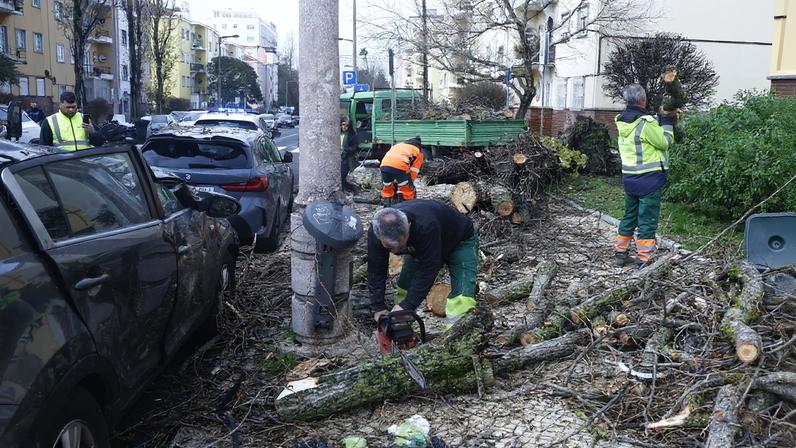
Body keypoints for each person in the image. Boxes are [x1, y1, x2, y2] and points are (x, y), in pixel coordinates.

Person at [368, 200, 479, 326]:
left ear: (408, 226)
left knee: (461, 300)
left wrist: (408, 306)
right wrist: (378, 308)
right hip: (422, 245)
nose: (395, 251)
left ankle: (455, 340)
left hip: (459, 240)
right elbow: (375, 269)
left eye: (399, 245)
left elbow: (429, 269)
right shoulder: (376, 230)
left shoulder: (425, 225)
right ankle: (400, 327)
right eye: (389, 247)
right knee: (404, 288)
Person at [614, 84, 676, 267]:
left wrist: (657, 118)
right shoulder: (645, 123)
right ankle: (643, 259)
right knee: (647, 220)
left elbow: (644, 130)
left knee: (629, 216)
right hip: (649, 180)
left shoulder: (622, 120)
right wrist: (667, 123)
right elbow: (665, 141)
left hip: (630, 179)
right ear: (642, 99)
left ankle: (620, 253)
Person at [39, 91, 105, 150]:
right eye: (68, 107)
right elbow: (44, 148)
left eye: (73, 107)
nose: (71, 110)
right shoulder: (49, 121)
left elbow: (100, 142)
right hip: (62, 161)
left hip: (85, 159)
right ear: (60, 105)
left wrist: (92, 132)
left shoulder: (84, 118)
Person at [380, 137, 424, 205]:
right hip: (400, 167)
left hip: (384, 166)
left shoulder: (398, 145)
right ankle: (407, 205)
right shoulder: (418, 151)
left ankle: (386, 206)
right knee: (407, 190)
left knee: (387, 187)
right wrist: (410, 183)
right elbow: (414, 170)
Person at [340, 117, 360, 192]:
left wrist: (345, 150)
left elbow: (355, 147)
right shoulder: (338, 133)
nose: (344, 127)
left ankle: (350, 189)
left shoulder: (352, 134)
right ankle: (351, 188)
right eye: (343, 125)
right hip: (338, 158)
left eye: (347, 125)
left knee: (342, 176)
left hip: (346, 158)